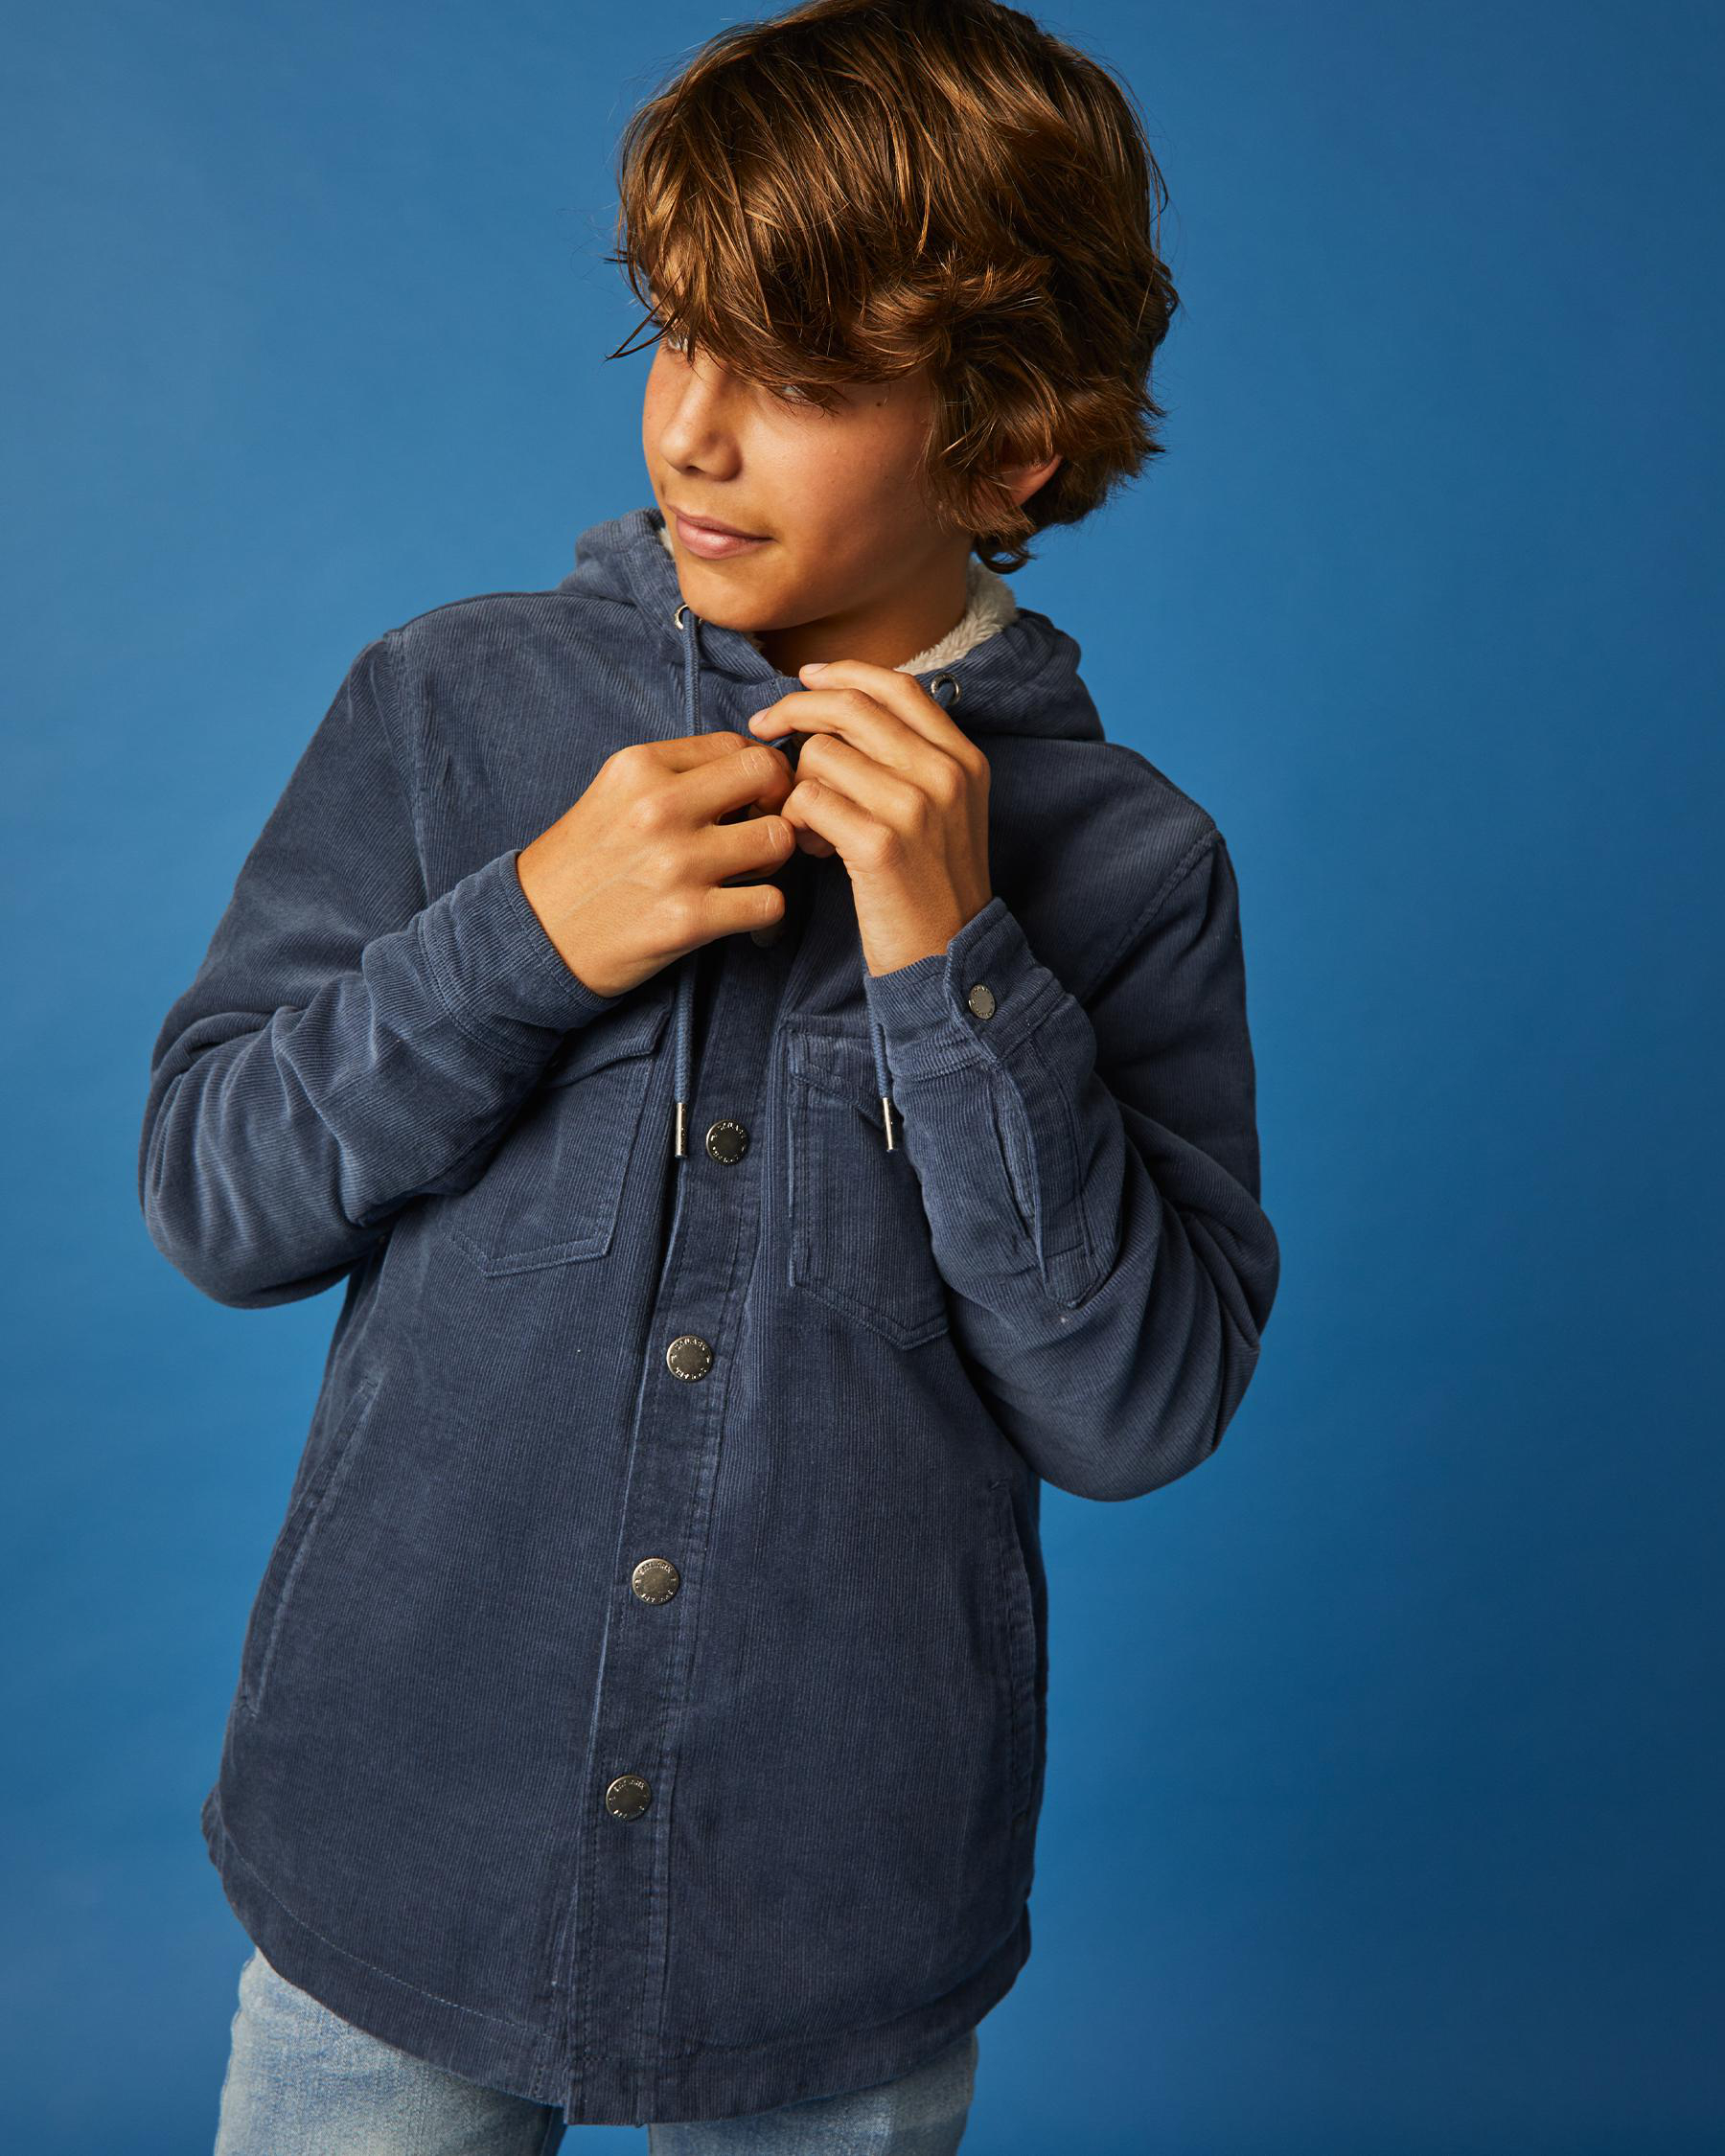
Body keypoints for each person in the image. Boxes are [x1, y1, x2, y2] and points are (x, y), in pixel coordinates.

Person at [139, 0, 1281, 2146]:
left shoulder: (1132, 867)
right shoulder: (443, 706)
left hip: (836, 1911)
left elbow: (1136, 1413)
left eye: (806, 380)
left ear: (1009, 450)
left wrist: (957, 965)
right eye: (675, 335)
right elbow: (214, 1193)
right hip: (391, 1848)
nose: (693, 430)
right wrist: (524, 934)